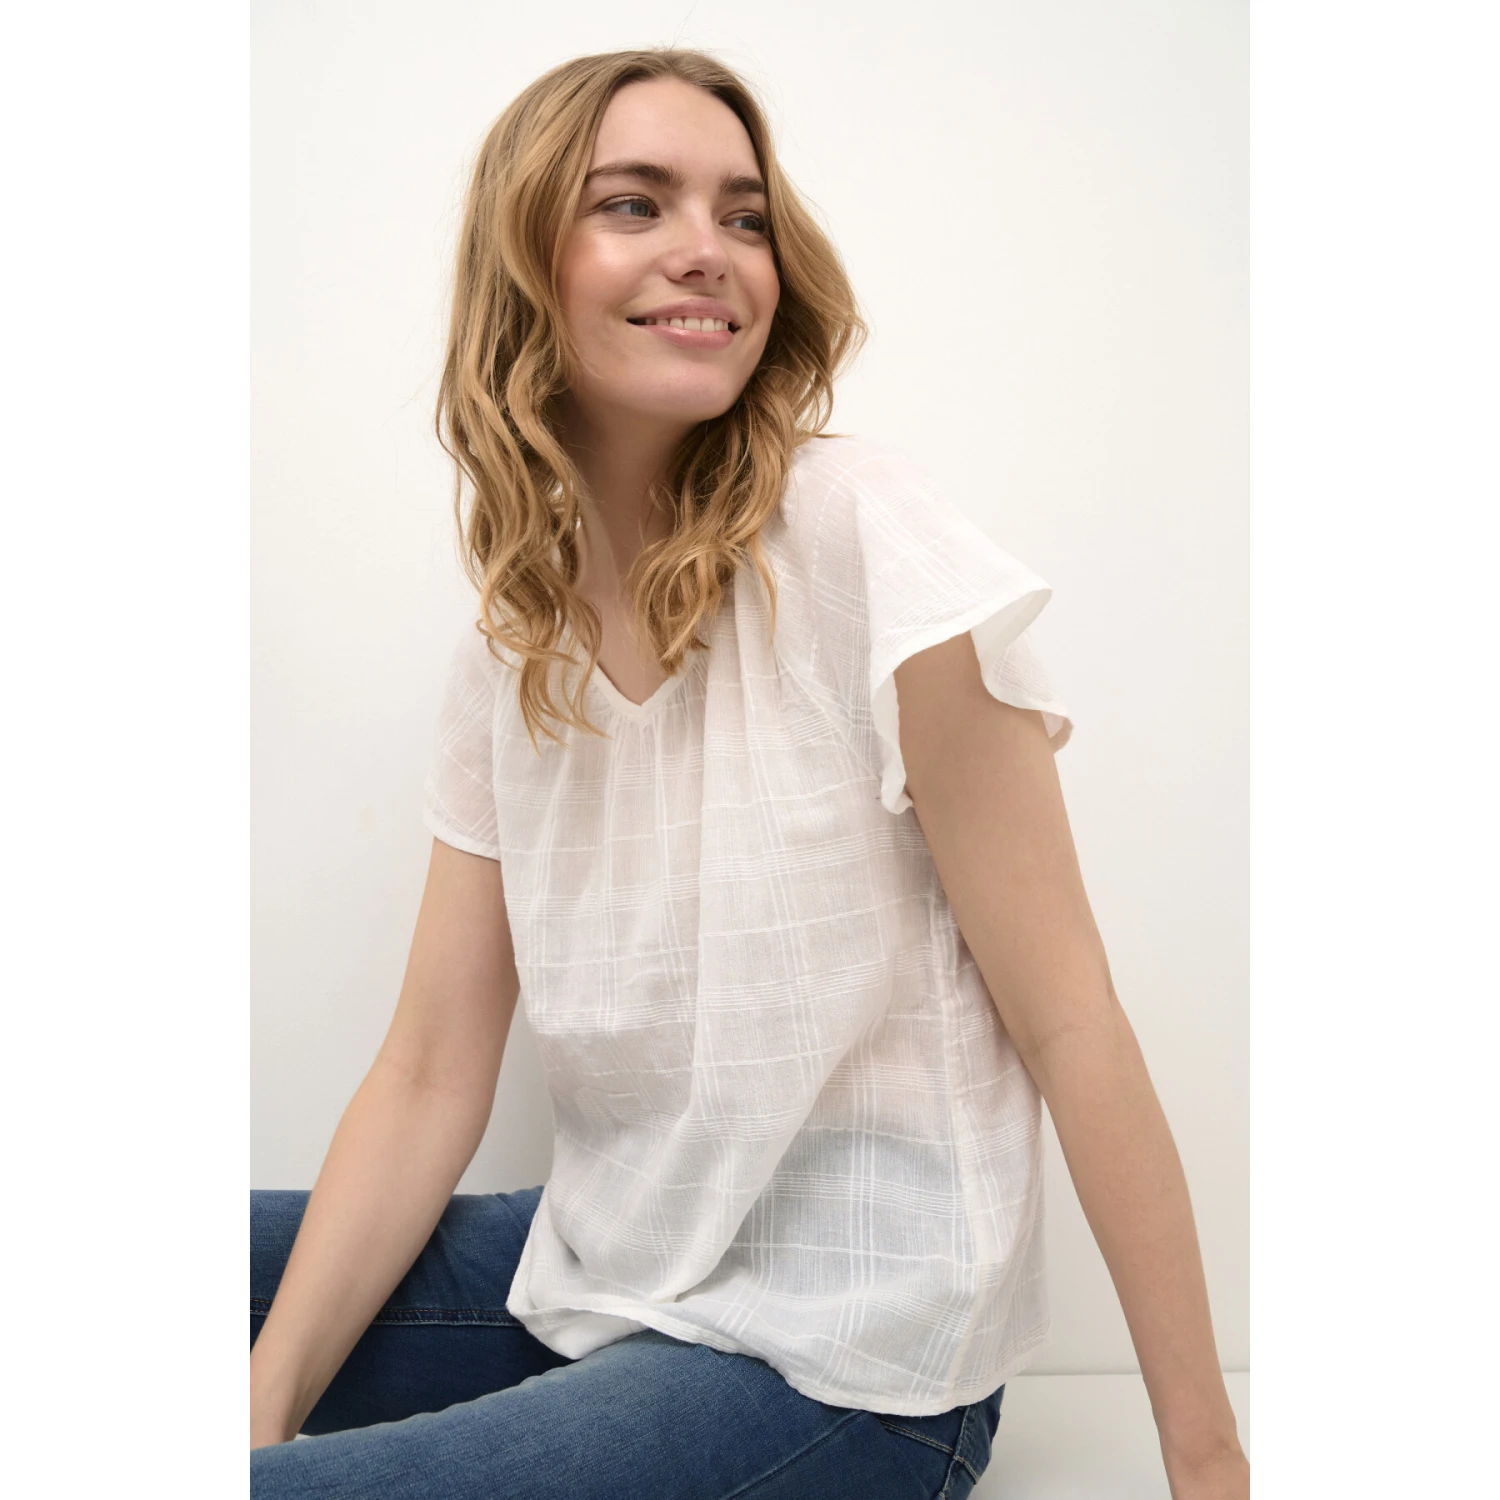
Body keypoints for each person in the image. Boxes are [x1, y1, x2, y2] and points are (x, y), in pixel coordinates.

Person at [249, 46, 1249, 1500]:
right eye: (635, 204)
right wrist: (261, 1402)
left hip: (849, 1370)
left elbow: (1071, 1020)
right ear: (524, 263)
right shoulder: (513, 651)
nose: (708, 250)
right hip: (610, 1274)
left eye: (744, 214)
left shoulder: (862, 538)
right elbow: (426, 1071)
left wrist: (1209, 1464)